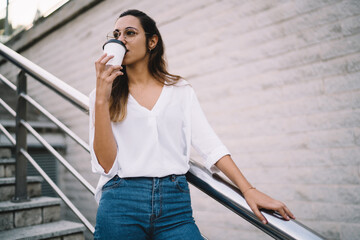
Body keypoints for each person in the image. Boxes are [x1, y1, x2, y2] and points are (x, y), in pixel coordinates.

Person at [89, 9, 295, 240]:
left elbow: (209, 144)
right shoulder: (100, 96)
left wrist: (248, 189)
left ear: (152, 41)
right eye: (116, 34)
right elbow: (106, 164)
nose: (121, 40)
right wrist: (101, 98)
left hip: (174, 205)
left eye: (130, 33)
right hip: (121, 201)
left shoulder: (180, 91)